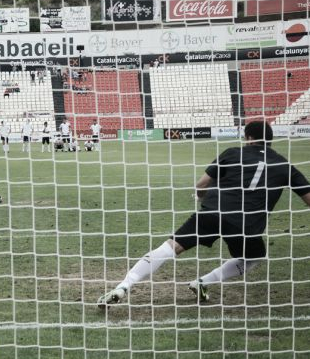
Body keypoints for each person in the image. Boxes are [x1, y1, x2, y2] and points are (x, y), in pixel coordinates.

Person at [97, 122, 310, 308]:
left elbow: (201, 184)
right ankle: (203, 282)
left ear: (249, 138)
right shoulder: (285, 166)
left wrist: (201, 199)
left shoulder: (233, 153)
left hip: (212, 212)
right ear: (270, 141)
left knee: (170, 248)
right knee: (253, 258)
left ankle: (124, 286)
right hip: (246, 225)